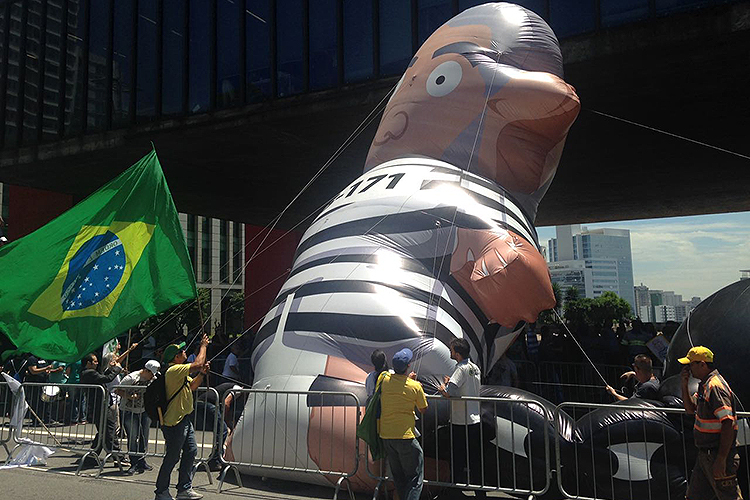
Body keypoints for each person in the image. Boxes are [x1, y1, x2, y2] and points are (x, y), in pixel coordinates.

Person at [680, 346, 742, 500]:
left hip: (716, 455)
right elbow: (689, 409)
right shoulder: (704, 385)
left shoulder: (714, 386)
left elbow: (728, 422)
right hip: (705, 456)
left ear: (702, 364)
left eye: (691, 364)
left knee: (729, 496)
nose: (688, 368)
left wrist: (721, 459)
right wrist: (684, 384)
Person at [154, 334, 210, 500]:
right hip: (174, 422)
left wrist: (201, 374)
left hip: (184, 418)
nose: (185, 352)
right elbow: (198, 363)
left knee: (191, 451)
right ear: (176, 357)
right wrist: (204, 346)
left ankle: (184, 489)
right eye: (182, 351)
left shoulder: (180, 372)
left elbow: (192, 386)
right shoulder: (174, 370)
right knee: (172, 457)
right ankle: (161, 492)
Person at [378, 348, 428, 500]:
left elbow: (388, 377)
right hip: (405, 436)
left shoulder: (384, 380)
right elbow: (423, 409)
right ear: (408, 367)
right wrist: (413, 383)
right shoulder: (414, 386)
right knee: (415, 478)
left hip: (387, 435)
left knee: (398, 476)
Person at [439, 338, 486, 498]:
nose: (450, 352)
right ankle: (481, 493)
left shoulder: (460, 368)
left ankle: (454, 491)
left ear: (457, 354)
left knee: (457, 458)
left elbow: (449, 392)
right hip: (475, 418)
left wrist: (443, 387)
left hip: (460, 420)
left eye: (451, 350)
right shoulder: (475, 367)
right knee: (475, 459)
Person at [117, 360, 160, 475]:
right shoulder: (131, 378)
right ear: (146, 370)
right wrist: (130, 396)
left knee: (144, 436)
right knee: (132, 436)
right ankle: (133, 462)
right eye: (151, 374)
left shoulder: (153, 379)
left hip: (144, 411)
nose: (152, 376)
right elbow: (117, 390)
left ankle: (142, 461)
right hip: (129, 411)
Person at [80, 353, 123, 456]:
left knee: (103, 432)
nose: (97, 363)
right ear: (88, 363)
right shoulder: (89, 373)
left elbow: (103, 376)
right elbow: (106, 379)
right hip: (99, 406)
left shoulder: (91, 373)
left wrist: (111, 368)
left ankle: (92, 456)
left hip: (100, 405)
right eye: (94, 361)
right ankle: (118, 456)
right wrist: (117, 369)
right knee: (109, 430)